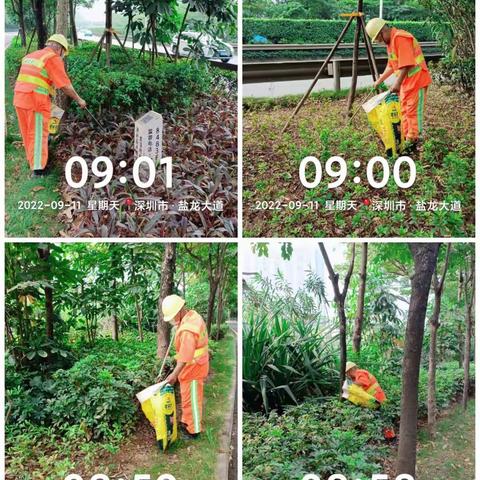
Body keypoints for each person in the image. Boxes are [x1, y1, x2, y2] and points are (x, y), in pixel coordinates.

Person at [13, 34, 87, 176]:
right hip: (36, 101)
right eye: (63, 53)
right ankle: (39, 170)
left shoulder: (32, 55)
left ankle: (32, 160)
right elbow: (65, 86)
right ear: (59, 49)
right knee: (38, 134)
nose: (62, 56)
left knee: (28, 132)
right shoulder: (52, 58)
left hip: (20, 98)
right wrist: (79, 100)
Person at [366, 18, 432, 153]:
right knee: (404, 112)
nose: (379, 42)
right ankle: (406, 140)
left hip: (417, 81)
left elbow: (407, 64)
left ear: (383, 31)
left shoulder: (400, 38)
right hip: (407, 84)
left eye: (379, 39)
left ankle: (412, 143)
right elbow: (392, 65)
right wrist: (380, 80)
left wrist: (396, 84)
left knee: (412, 113)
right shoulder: (390, 44)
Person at [162, 294, 209, 439]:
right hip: (194, 366)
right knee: (188, 397)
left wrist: (174, 374)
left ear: (179, 312)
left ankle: (194, 430)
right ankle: (187, 422)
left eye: (171, 317)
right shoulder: (191, 316)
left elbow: (184, 357)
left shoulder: (187, 330)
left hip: (193, 368)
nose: (171, 321)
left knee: (193, 400)